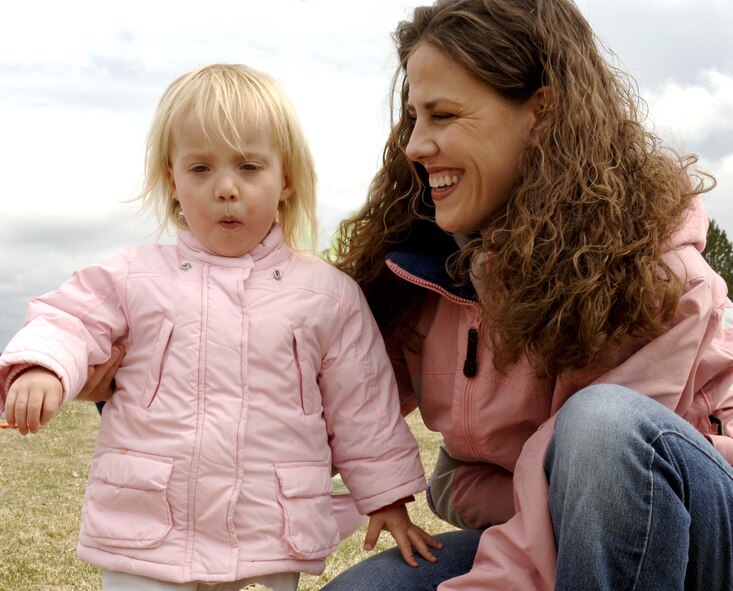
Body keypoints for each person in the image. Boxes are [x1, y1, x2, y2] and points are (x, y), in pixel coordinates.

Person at [320, 0, 733, 589]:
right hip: (538, 527)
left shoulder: (656, 275)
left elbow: (602, 479)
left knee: (600, 428)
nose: (414, 145)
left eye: (443, 115)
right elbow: (335, 402)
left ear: (541, 112)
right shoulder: (420, 267)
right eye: (413, 117)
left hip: (696, 533)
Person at [0, 63, 440, 591]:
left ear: (286, 179)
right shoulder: (133, 277)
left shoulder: (327, 296)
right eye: (201, 168)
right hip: (148, 530)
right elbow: (70, 319)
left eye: (250, 167)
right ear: (173, 179)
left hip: (270, 533)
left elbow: (362, 406)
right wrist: (42, 368)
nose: (226, 189)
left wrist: (386, 498)